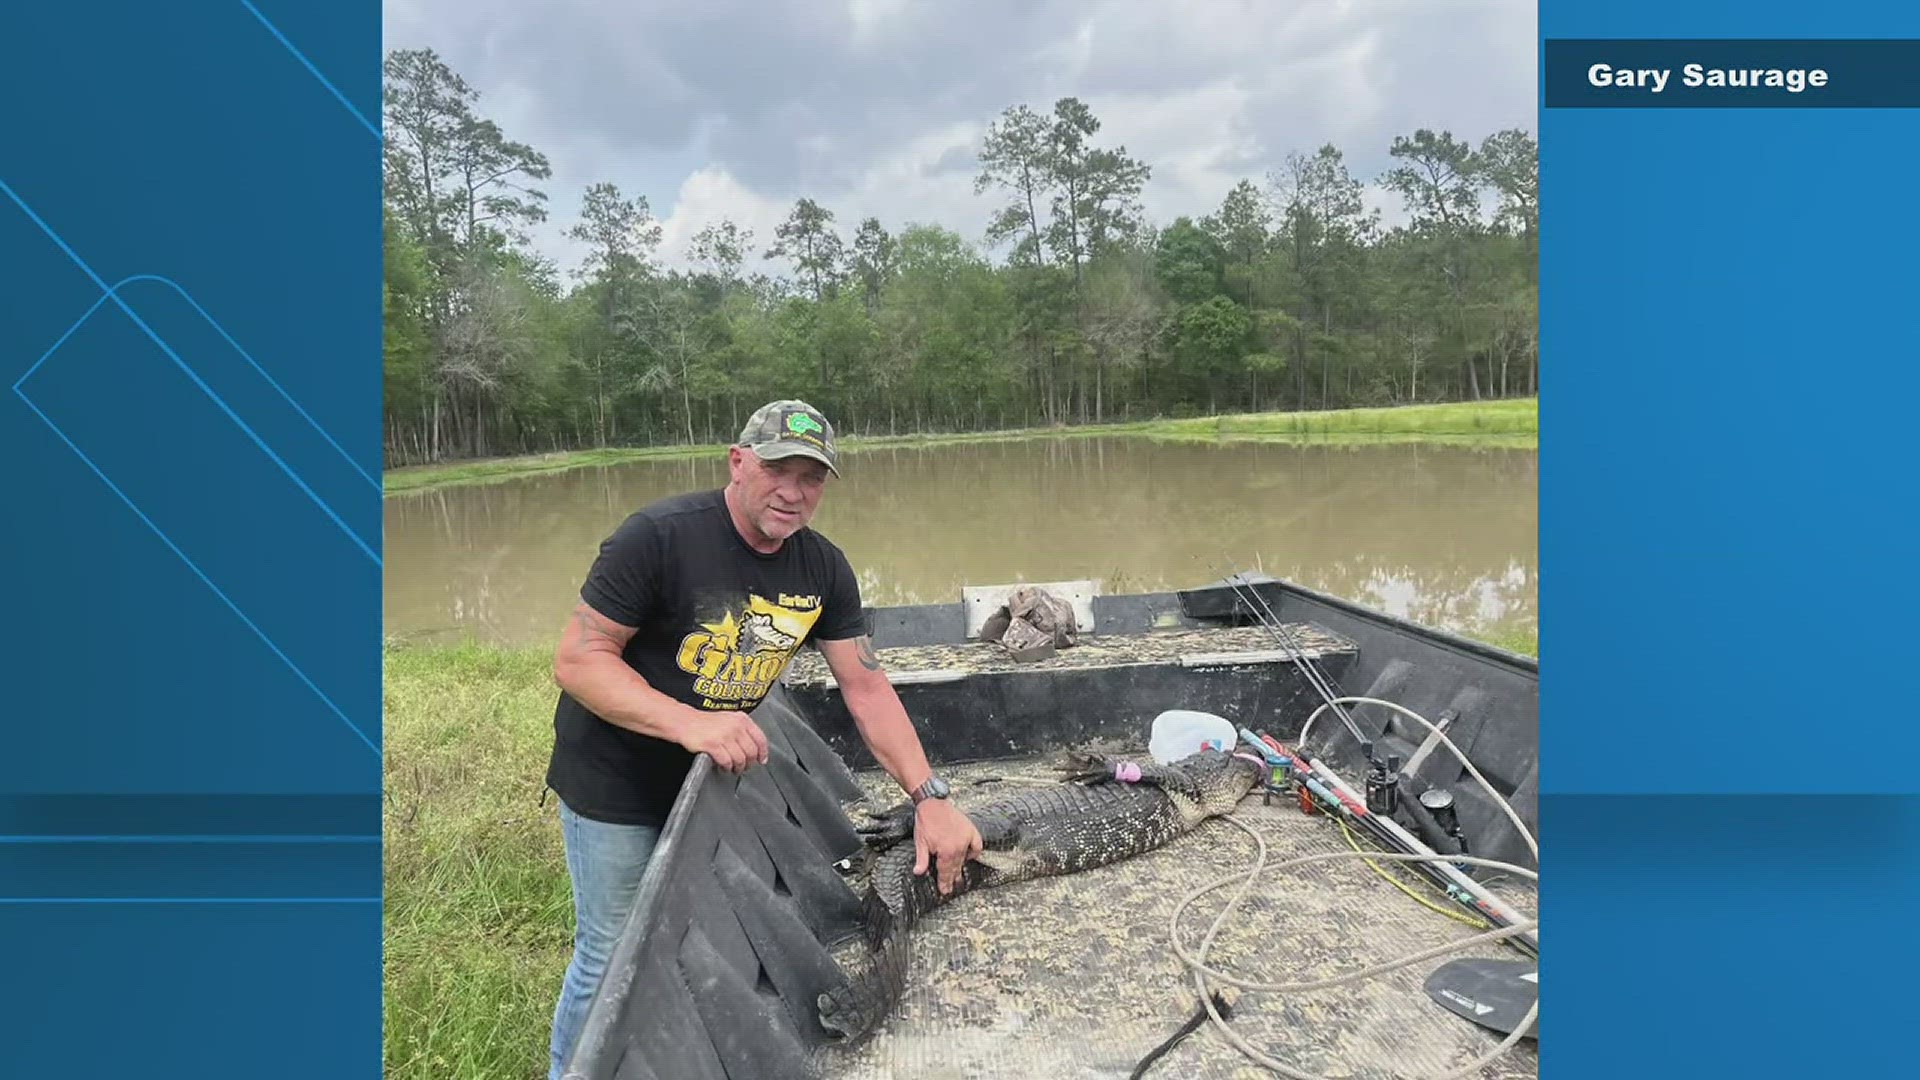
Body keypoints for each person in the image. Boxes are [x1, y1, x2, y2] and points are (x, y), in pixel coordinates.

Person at [540, 399, 984, 1080]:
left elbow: (865, 688)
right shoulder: (659, 536)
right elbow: (580, 659)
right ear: (738, 461)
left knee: (688, 943)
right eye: (780, 469)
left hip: (716, 783)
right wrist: (691, 724)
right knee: (610, 954)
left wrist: (930, 796)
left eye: (813, 478)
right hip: (615, 779)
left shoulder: (822, 569)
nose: (794, 492)